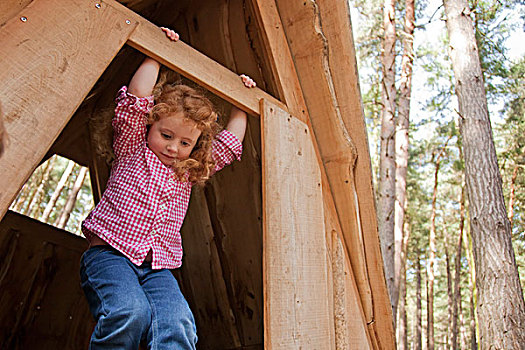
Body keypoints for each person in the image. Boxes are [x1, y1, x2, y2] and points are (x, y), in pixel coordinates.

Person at [79, 27, 256, 349]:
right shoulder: (133, 147)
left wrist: (241, 104)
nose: (174, 147)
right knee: (130, 312)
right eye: (166, 135)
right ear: (150, 125)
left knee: (178, 325)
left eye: (185, 142)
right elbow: (136, 100)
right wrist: (156, 53)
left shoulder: (187, 172)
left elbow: (229, 146)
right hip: (110, 255)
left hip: (158, 269)